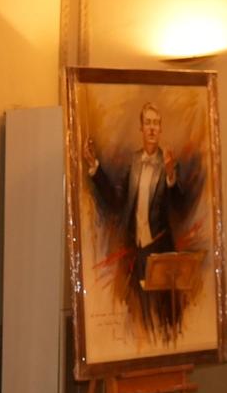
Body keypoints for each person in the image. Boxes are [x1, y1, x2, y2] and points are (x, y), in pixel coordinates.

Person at [82, 100, 203, 338]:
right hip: (135, 253)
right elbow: (116, 201)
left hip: (160, 253)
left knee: (162, 318)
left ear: (161, 129)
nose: (152, 128)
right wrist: (94, 166)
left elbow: (180, 206)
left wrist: (170, 175)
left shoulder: (169, 163)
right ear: (141, 128)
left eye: (156, 123)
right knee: (139, 318)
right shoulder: (133, 162)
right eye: (147, 123)